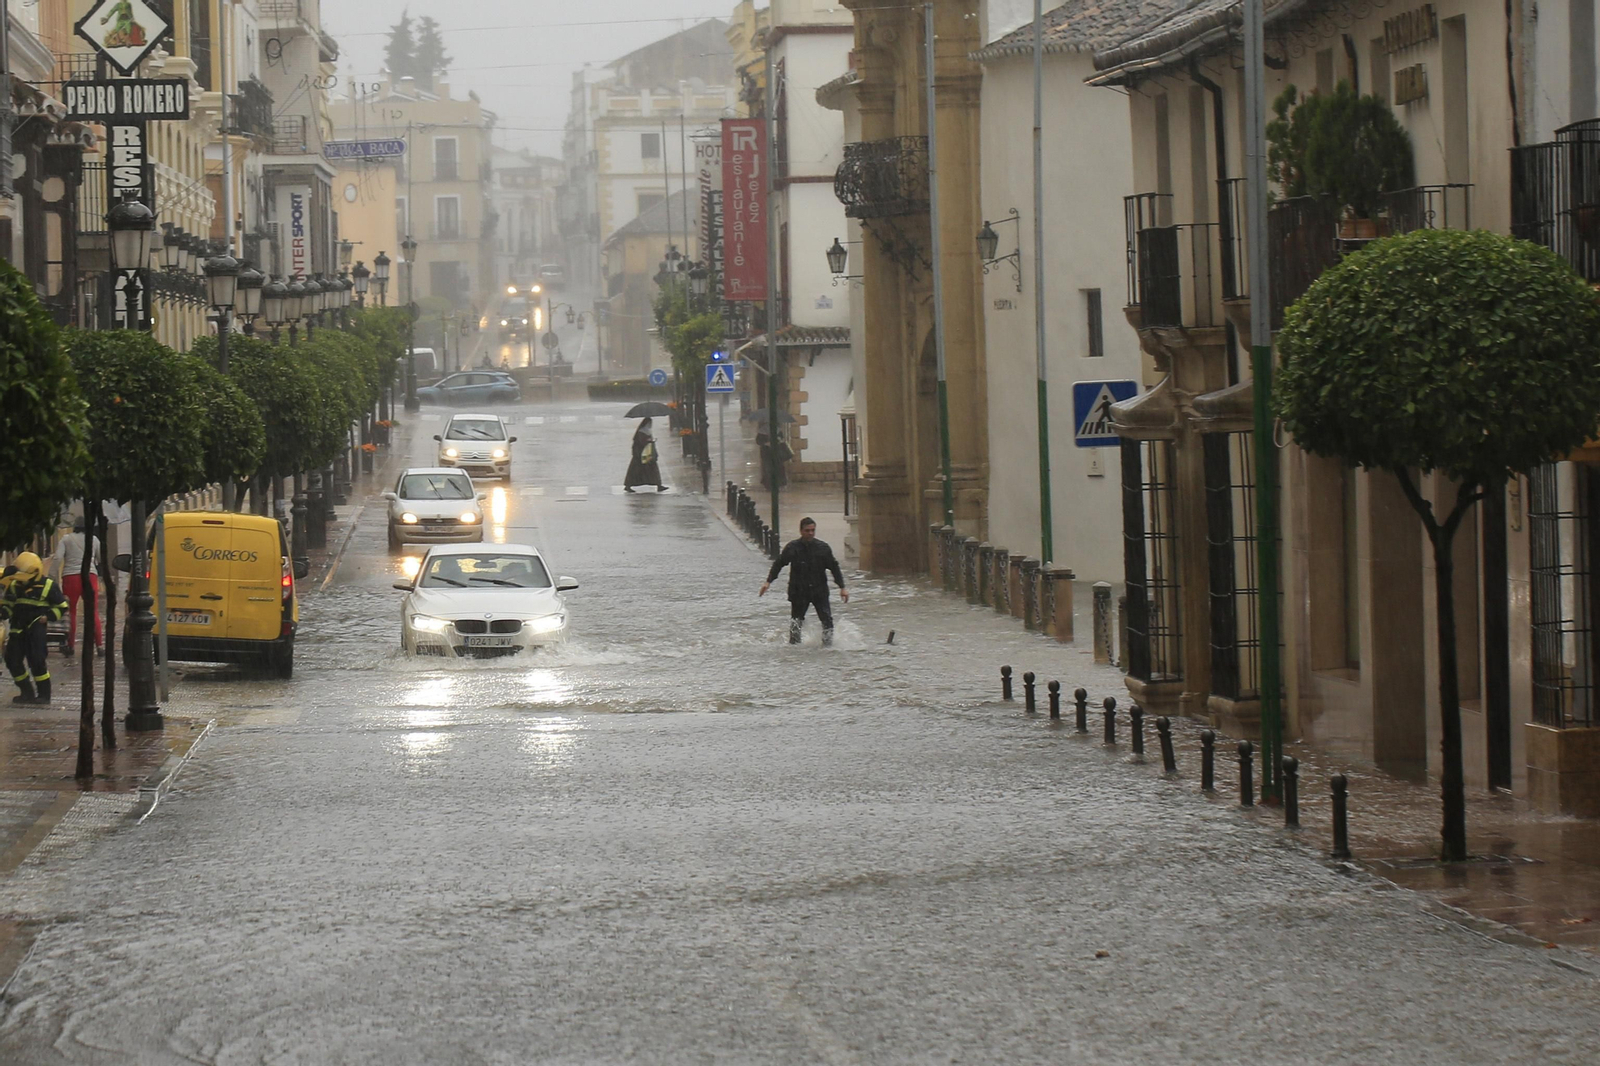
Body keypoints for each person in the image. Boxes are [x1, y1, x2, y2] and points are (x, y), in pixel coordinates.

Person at [760, 517, 849, 645]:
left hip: (819, 590)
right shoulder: (792, 547)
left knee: (827, 620)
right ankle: (794, 648)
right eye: (807, 530)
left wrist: (842, 587)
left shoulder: (823, 548)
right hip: (799, 591)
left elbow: (834, 567)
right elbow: (779, 564)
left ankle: (828, 647)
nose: (810, 533)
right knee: (796, 622)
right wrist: (768, 582)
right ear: (801, 531)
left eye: (813, 530)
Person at [1, 553, 67, 705]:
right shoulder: (14, 584)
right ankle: (26, 691)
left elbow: (62, 606)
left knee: (37, 660)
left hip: (36, 628)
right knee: (12, 660)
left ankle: (44, 694)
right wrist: (3, 612)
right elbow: (8, 605)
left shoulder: (48, 585)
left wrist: (48, 616)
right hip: (18, 627)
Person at [50, 518, 102, 658]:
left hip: (70, 578)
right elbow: (100, 559)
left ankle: (70, 645)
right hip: (90, 577)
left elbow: (57, 558)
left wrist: (51, 576)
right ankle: (99, 645)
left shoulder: (66, 539)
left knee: (70, 612)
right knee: (93, 611)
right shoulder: (94, 540)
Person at [623, 417, 668, 492]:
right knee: (636, 471)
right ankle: (628, 485)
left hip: (648, 454)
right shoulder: (641, 432)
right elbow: (641, 443)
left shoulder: (647, 431)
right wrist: (648, 441)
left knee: (652, 471)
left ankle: (658, 485)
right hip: (641, 455)